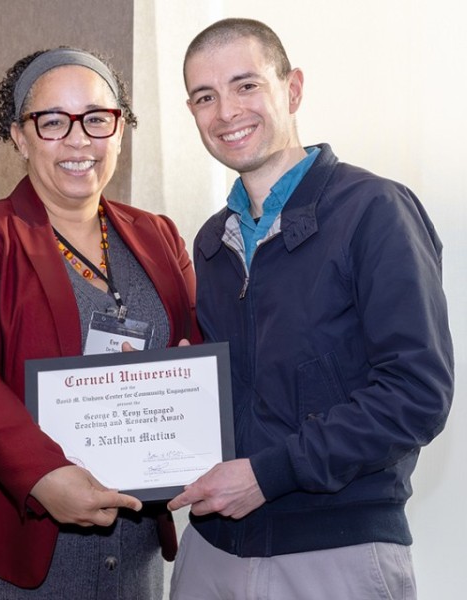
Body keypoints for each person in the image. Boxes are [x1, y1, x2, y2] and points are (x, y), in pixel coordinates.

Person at [167, 18, 454, 600]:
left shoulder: (374, 210)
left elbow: (416, 394)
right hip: (211, 550)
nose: (226, 111)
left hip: (335, 552)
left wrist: (268, 475)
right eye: (205, 96)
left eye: (246, 85)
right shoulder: (209, 241)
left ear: (292, 90)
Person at [0, 46, 199, 599]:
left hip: (128, 546)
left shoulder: (159, 235)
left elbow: (195, 351)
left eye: (96, 118)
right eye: (51, 122)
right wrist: (44, 476)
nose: (78, 139)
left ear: (119, 130)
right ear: (19, 136)